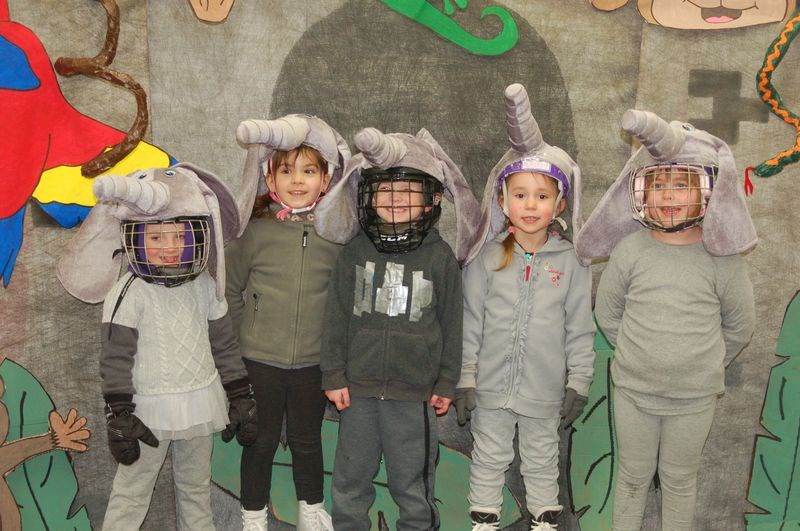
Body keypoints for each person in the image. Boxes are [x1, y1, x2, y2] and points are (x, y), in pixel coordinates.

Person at [575, 110, 757, 531]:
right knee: (633, 477)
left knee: (679, 480)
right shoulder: (630, 250)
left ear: (706, 193)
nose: (669, 195)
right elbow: (608, 312)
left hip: (694, 400)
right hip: (634, 393)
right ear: (641, 193)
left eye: (681, 184)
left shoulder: (721, 259)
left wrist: (703, 363)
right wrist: (640, 356)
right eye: (659, 185)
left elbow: (739, 326)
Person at [57, 164, 257, 531]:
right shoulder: (127, 292)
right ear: (135, 238)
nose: (169, 247)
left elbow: (224, 344)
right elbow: (115, 357)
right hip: (147, 413)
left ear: (195, 237)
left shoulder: (204, 284)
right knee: (131, 493)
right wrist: (118, 413)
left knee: (196, 491)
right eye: (157, 238)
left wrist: (240, 395)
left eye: (179, 237)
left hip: (200, 403)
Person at [318, 126, 479, 530]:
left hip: (415, 395)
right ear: (368, 196)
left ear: (432, 200)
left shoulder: (440, 258)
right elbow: (336, 316)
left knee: (412, 485)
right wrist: (333, 374)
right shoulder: (354, 250)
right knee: (350, 481)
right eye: (385, 190)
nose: (395, 199)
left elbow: (452, 325)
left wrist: (446, 382)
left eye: (408, 191)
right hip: (358, 392)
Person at [454, 83, 595, 531]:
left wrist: (579, 382)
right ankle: (484, 523)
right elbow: (471, 322)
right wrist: (466, 378)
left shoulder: (573, 262)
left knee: (540, 459)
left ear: (560, 204)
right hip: (492, 388)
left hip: (544, 390)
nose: (530, 204)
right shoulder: (486, 258)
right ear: (502, 201)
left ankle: (544, 522)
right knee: (489, 457)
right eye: (519, 194)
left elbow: (579, 330)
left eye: (541, 195)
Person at [228, 114, 351, 531]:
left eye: (308, 170)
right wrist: (241, 345)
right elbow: (229, 292)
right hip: (258, 361)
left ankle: (311, 510)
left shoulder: (337, 237)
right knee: (259, 442)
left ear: (326, 179)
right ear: (270, 178)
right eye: (286, 170)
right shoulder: (254, 232)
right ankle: (252, 515)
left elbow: (344, 304)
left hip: (313, 364)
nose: (297, 180)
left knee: (306, 441)